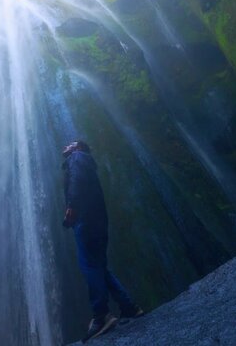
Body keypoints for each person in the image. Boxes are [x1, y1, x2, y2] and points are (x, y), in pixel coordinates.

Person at [61, 140, 144, 343]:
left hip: (86, 220)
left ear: (78, 147)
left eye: (71, 144)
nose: (66, 146)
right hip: (97, 221)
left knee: (89, 265)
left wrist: (71, 206)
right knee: (100, 267)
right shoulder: (85, 161)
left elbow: (77, 180)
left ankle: (101, 315)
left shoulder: (77, 157)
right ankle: (130, 308)